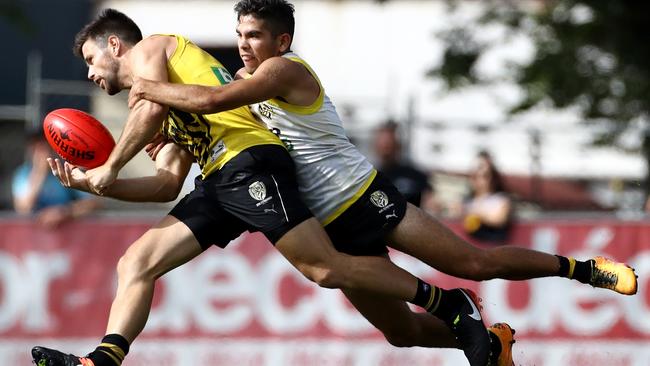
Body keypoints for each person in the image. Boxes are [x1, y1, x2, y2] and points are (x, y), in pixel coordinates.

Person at [122, 0, 639, 365]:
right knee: (401, 333)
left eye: (254, 35)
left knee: (474, 263)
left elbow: (209, 102)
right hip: (327, 228)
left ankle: (586, 270)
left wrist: (145, 84)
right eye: (239, 35)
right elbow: (207, 120)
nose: (244, 44)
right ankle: (486, 340)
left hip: (362, 197)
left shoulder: (281, 70)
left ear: (281, 39)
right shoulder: (244, 81)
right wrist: (170, 140)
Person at [30, 8, 505, 366]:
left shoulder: (152, 49)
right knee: (136, 262)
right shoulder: (159, 106)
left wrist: (109, 166)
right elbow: (166, 184)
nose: (90, 73)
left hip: (249, 162)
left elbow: (149, 109)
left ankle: (449, 303)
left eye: (91, 59)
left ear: (115, 45)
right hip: (219, 181)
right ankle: (103, 360)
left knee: (325, 268)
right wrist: (99, 188)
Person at [12, 130, 102, 228]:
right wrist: (40, 172)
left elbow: (93, 203)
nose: (40, 153)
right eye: (35, 148)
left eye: (43, 147)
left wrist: (64, 212)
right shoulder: (23, 174)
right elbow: (24, 208)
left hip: (69, 236)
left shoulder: (68, 171)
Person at [373, 119, 437, 211]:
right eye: (384, 146)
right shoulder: (371, 177)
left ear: (399, 146)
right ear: (376, 147)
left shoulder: (415, 176)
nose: (387, 151)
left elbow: (431, 202)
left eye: (390, 146)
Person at [457, 151, 513, 243]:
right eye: (475, 177)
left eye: (484, 176)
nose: (479, 181)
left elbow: (499, 219)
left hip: (493, 245)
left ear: (492, 177)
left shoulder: (501, 199)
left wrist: (473, 212)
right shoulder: (467, 200)